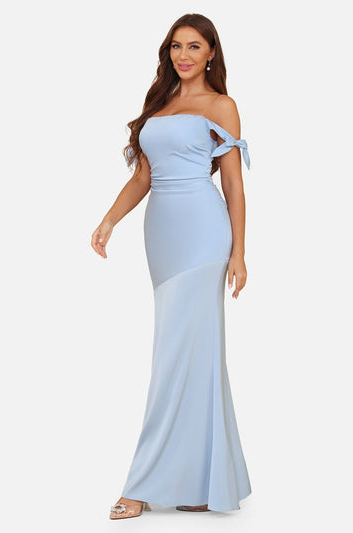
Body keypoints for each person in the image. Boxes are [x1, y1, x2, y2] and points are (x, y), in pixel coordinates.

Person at [91, 12, 252, 519]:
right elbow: (143, 176)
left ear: (211, 54)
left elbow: (233, 183)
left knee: (175, 359)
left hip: (204, 235)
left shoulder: (222, 105)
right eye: (176, 46)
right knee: (192, 357)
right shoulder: (158, 105)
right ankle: (201, 484)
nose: (184, 55)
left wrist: (239, 253)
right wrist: (109, 220)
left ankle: (139, 485)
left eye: (194, 46)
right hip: (161, 238)